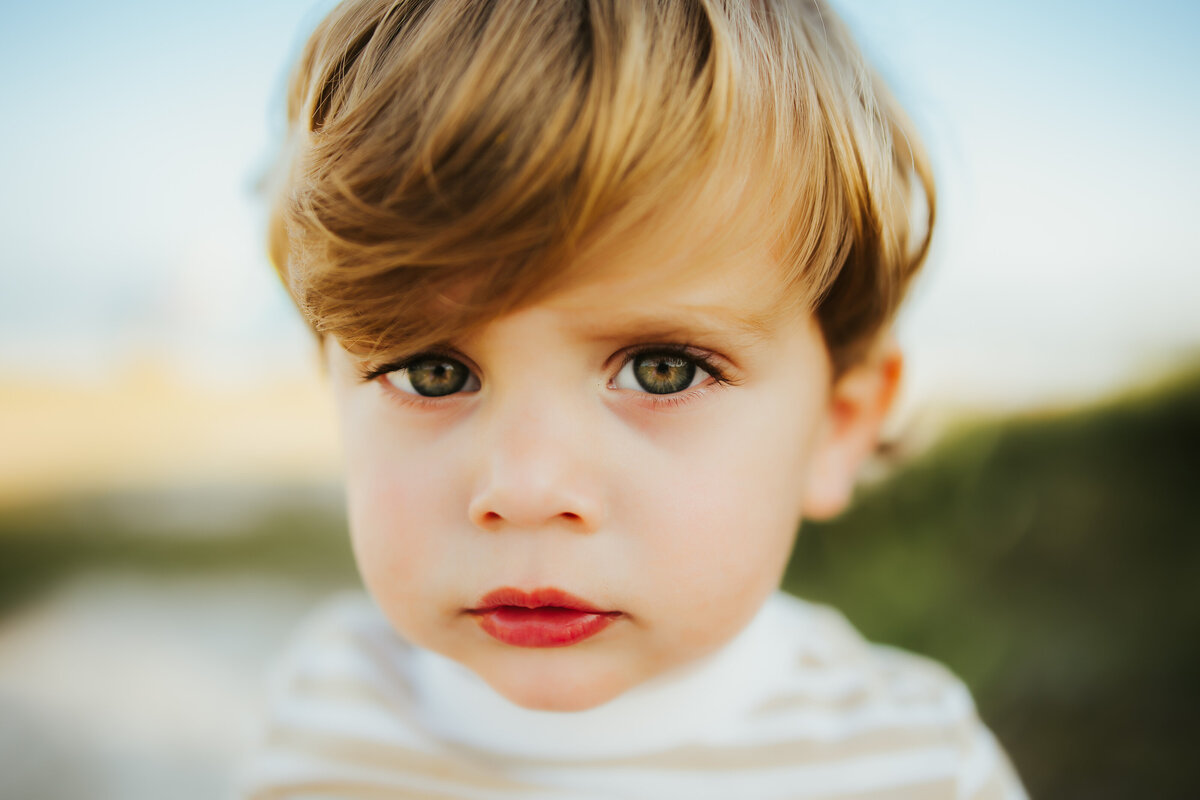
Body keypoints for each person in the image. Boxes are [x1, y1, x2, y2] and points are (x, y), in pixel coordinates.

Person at [240, 0, 1027, 796]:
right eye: (430, 373)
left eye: (664, 371)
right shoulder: (325, 717)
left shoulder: (912, 764)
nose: (528, 489)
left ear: (836, 428)